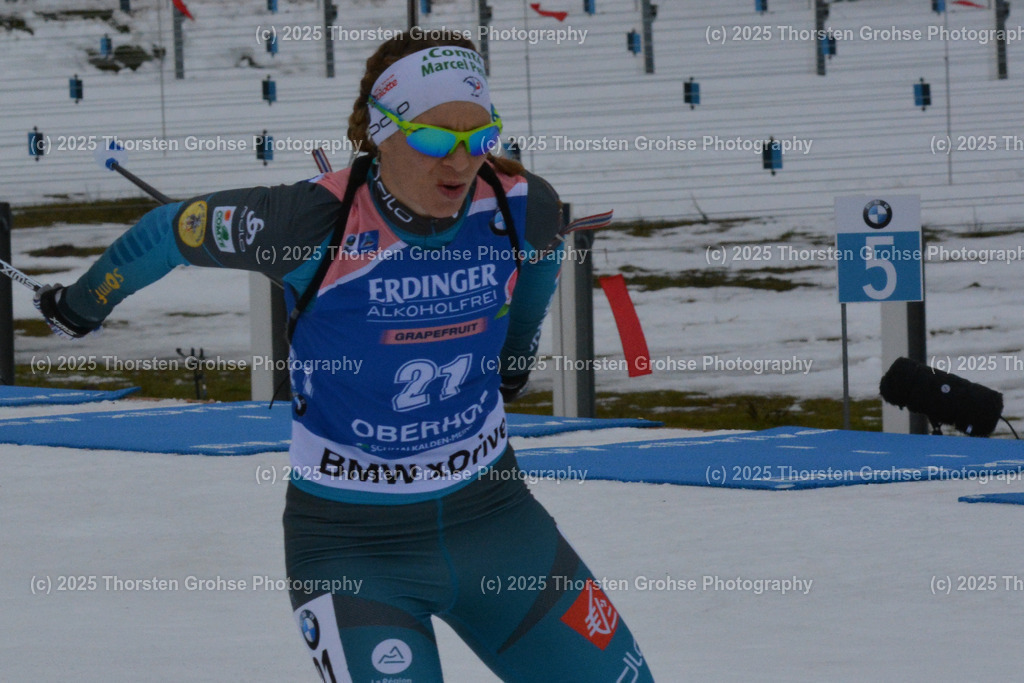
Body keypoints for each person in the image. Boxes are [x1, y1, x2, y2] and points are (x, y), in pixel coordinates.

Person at [35, 31, 655, 682]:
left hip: (497, 522)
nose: (462, 160)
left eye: (480, 135)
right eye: (435, 138)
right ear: (383, 130)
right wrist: (80, 306)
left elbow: (536, 269)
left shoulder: (522, 203)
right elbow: (170, 231)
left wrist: (513, 362)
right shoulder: (309, 222)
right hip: (353, 550)